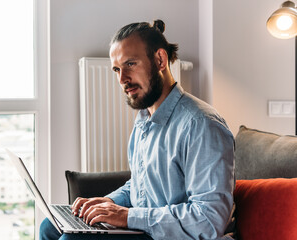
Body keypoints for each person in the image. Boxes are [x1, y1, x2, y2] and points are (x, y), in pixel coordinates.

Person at [40, 19, 235, 240]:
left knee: (72, 239)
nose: (122, 79)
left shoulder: (202, 124)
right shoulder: (144, 119)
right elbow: (142, 185)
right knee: (50, 226)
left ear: (160, 59)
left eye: (130, 64)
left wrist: (127, 216)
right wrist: (109, 202)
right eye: (116, 69)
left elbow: (209, 219)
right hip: (146, 230)